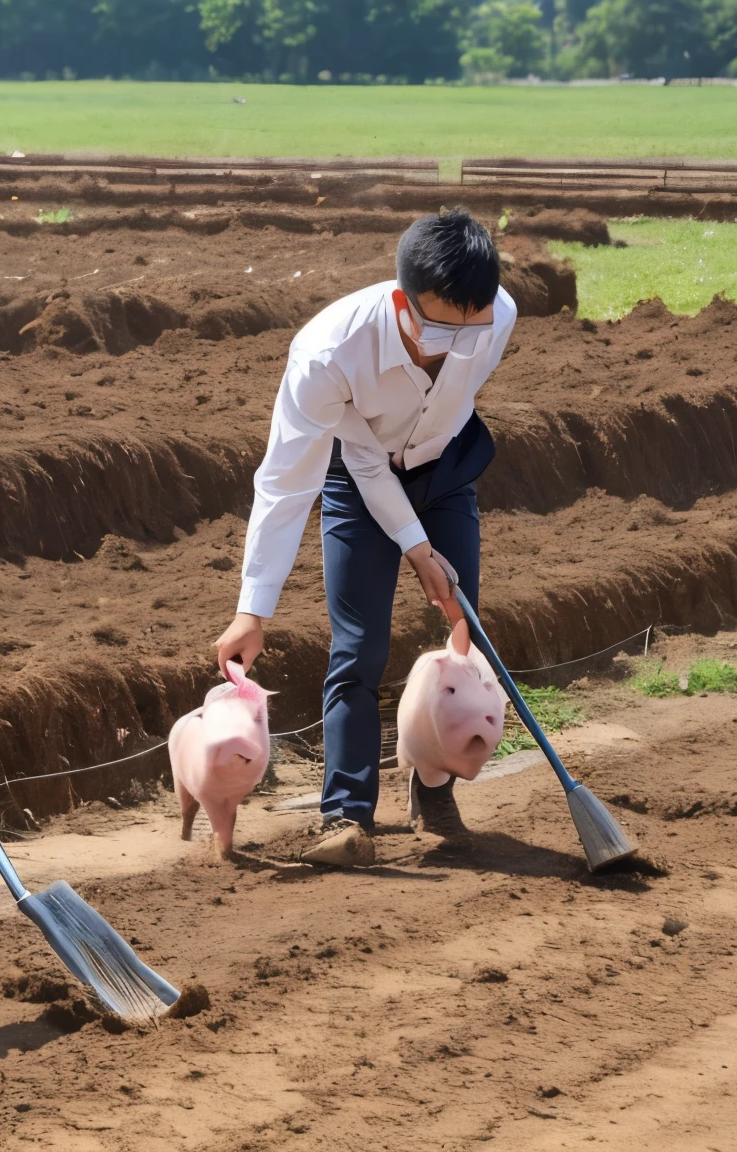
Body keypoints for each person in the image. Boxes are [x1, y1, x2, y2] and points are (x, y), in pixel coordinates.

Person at [213, 208, 516, 868]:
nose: (456, 345)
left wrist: (430, 530)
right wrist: (251, 610)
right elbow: (290, 482)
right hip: (359, 476)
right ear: (402, 300)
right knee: (359, 646)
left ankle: (433, 791)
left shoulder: (496, 315)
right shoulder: (328, 355)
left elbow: (453, 405)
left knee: (462, 636)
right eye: (439, 327)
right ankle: (347, 812)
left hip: (446, 467)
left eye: (474, 329)